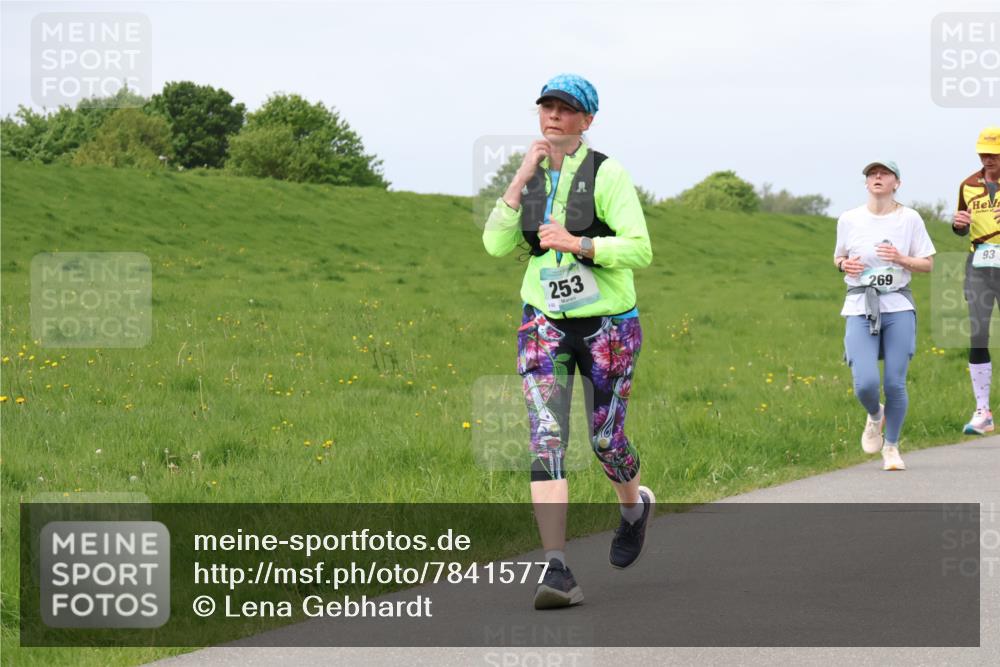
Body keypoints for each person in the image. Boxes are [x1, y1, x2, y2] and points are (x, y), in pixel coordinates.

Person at [482, 74, 653, 609]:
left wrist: (580, 243)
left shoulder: (609, 174)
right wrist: (519, 179)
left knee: (606, 441)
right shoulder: (530, 176)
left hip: (607, 325)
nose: (553, 115)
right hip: (544, 321)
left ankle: (633, 506)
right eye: (546, 107)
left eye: (565, 108)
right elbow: (494, 244)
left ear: (587, 120)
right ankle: (556, 570)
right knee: (547, 440)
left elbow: (640, 250)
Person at [834, 160, 936, 471]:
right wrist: (843, 266)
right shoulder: (849, 219)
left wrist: (901, 258)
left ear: (897, 183)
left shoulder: (910, 219)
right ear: (866, 183)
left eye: (884, 174)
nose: (877, 177)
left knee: (894, 383)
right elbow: (838, 256)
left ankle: (891, 447)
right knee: (864, 382)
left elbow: (928, 264)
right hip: (859, 306)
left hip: (898, 306)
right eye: (871, 174)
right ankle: (876, 415)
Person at [949, 127, 1000, 435]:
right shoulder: (967, 185)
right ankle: (983, 411)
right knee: (978, 333)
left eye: (993, 153)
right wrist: (957, 225)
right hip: (979, 264)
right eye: (983, 153)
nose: (987, 158)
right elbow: (960, 226)